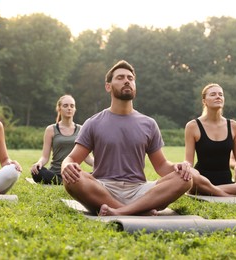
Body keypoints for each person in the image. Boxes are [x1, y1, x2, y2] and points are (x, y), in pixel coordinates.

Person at [61, 60, 192, 216]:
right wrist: (66, 166)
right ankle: (136, 211)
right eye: (120, 77)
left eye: (130, 78)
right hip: (103, 189)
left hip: (139, 190)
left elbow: (161, 165)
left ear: (135, 85)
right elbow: (71, 158)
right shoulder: (93, 123)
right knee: (72, 179)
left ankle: (122, 211)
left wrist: (179, 168)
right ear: (108, 86)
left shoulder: (149, 123)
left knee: (185, 179)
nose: (126, 81)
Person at [30, 95, 93, 185]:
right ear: (59, 108)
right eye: (65, 105)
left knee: (98, 175)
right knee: (37, 171)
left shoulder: (81, 129)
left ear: (75, 109)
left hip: (73, 174)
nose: (69, 108)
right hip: (54, 174)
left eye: (72, 106)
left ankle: (67, 181)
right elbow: (45, 157)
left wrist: (102, 165)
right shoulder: (50, 129)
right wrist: (38, 163)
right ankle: (65, 182)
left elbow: (87, 158)